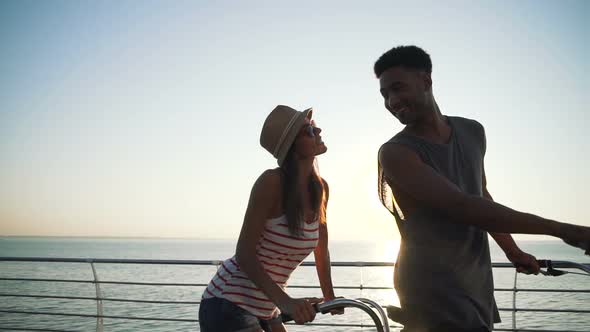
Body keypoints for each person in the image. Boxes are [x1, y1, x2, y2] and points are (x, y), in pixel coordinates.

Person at [373, 45, 590, 332]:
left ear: (426, 81)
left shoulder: (472, 131)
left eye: (398, 88)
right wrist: (565, 230)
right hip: (431, 285)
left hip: (476, 277)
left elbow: (480, 196)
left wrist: (512, 251)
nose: (392, 101)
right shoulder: (396, 152)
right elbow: (462, 206)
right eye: (385, 94)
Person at [198, 105, 341, 332]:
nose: (318, 130)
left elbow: (321, 251)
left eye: (313, 127)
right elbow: (244, 253)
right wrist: (285, 302)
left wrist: (330, 297)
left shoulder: (321, 189)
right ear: (292, 147)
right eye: (309, 131)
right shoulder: (271, 182)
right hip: (227, 302)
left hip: (267, 305)